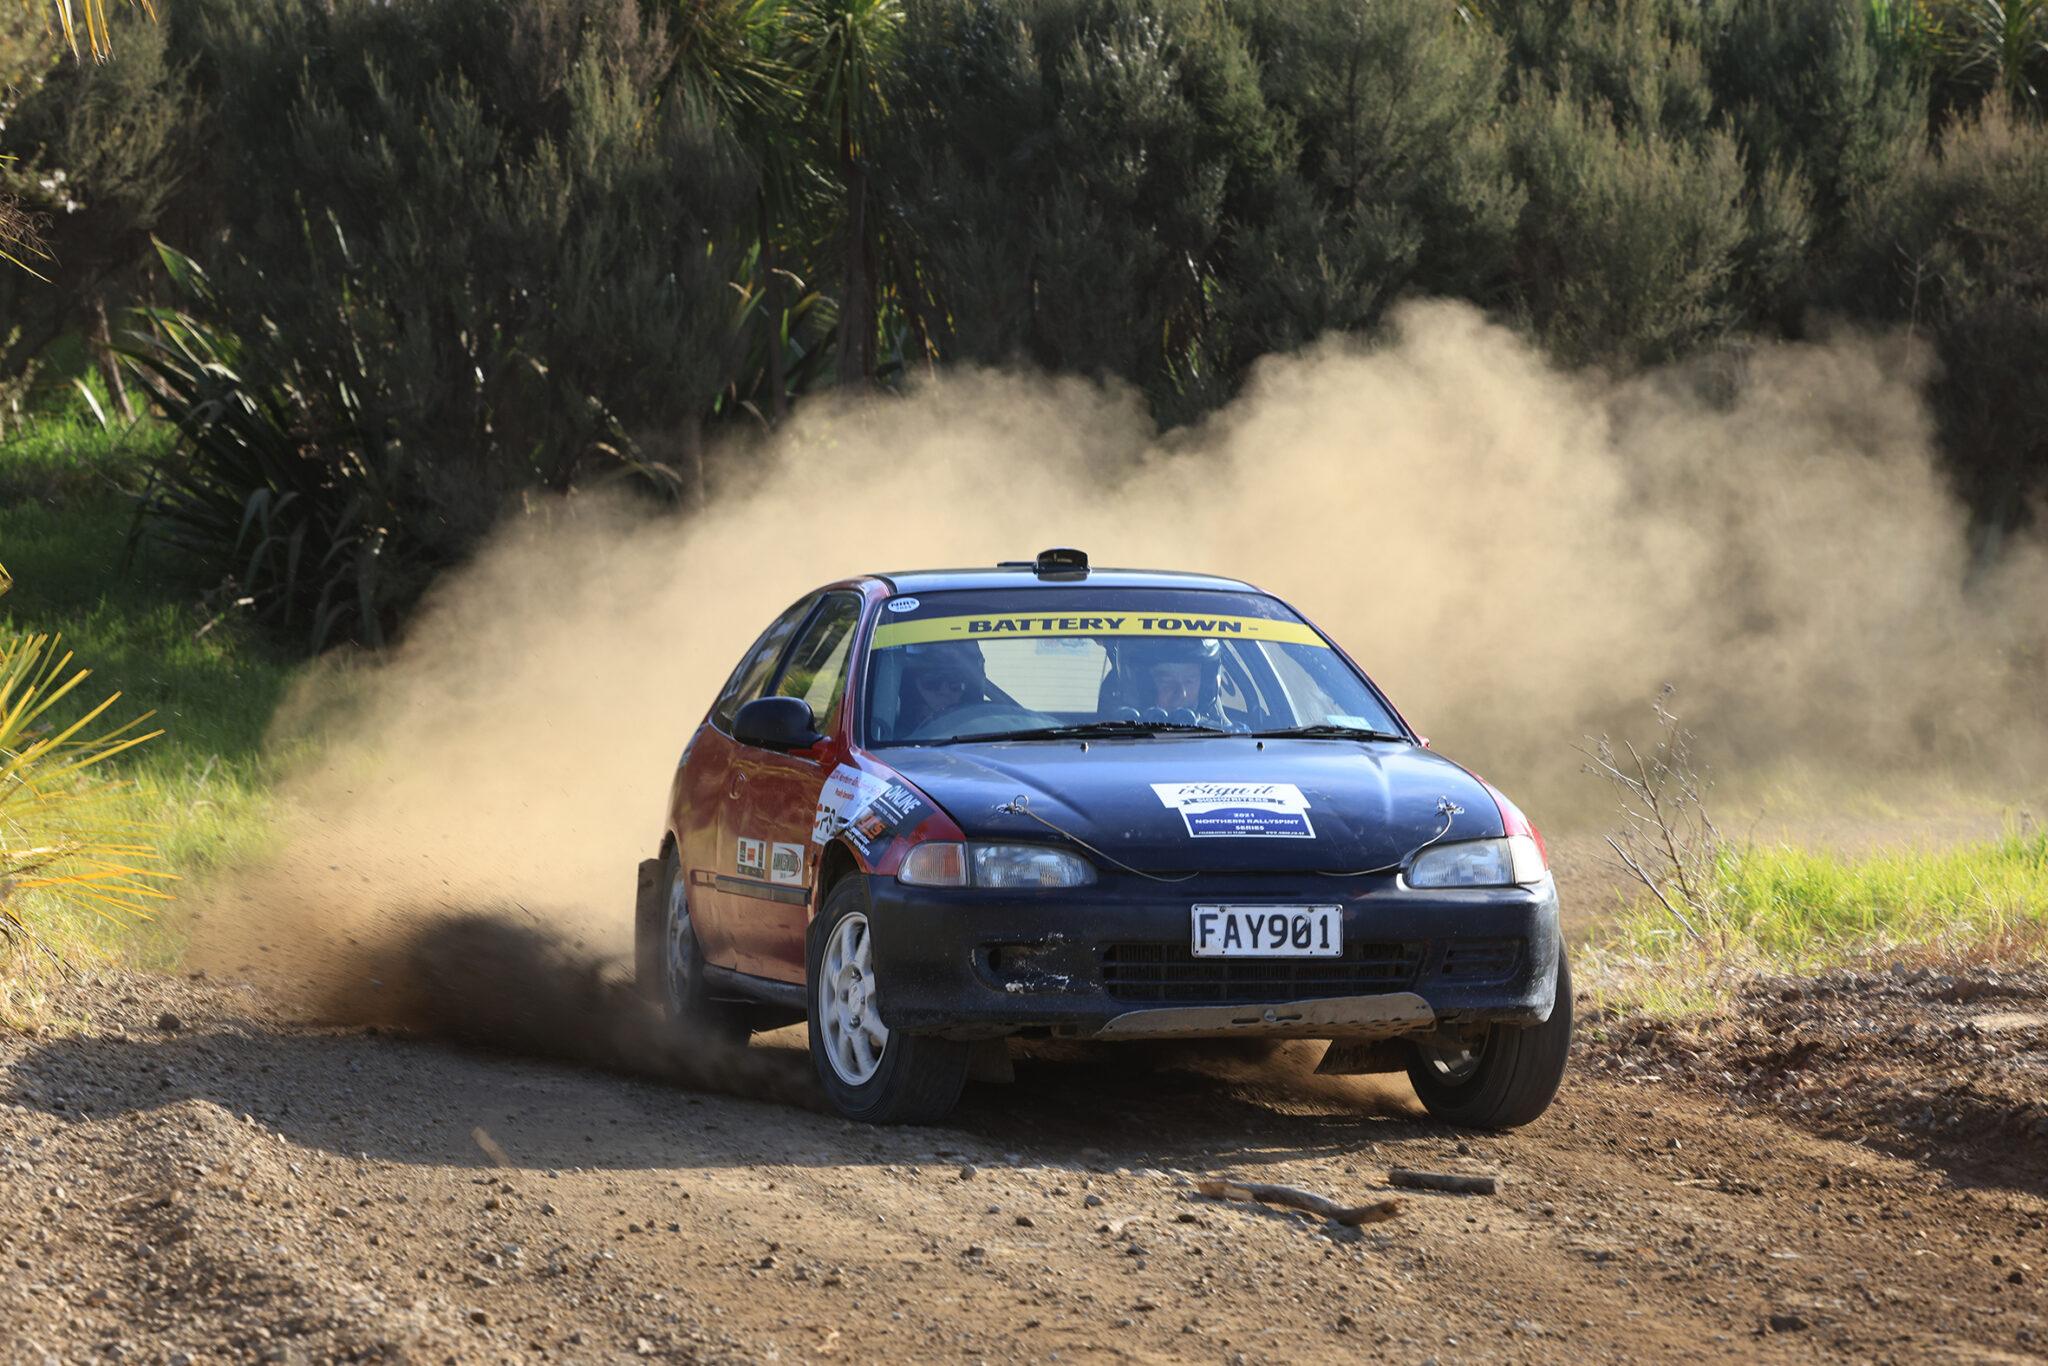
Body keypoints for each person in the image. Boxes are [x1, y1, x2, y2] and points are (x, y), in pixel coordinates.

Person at [1116, 636, 1228, 726]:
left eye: (1190, 681)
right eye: (1167, 682)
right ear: (1141, 687)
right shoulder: (1114, 744)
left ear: (1205, 685)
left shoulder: (1225, 739)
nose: (1182, 694)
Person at [894, 642, 985, 736]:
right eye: (933, 682)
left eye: (954, 682)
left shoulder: (986, 728)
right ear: (912, 686)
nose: (944, 691)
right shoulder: (887, 737)